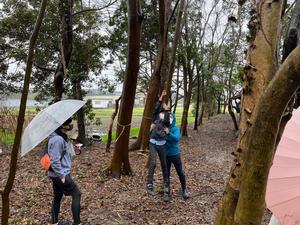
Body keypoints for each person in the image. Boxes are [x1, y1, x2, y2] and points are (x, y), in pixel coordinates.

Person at [47, 118, 86, 225]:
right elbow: (54, 160)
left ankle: (55, 222)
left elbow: (64, 153)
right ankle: (77, 223)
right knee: (76, 193)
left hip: (56, 174)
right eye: (68, 124)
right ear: (62, 126)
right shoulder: (57, 139)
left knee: (58, 196)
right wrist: (62, 176)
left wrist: (76, 148)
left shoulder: (61, 137)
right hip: (59, 174)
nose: (70, 125)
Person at [146, 90, 170, 202]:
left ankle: (166, 188)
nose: (164, 105)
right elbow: (156, 106)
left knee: (164, 165)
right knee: (154, 163)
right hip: (153, 142)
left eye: (166, 104)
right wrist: (161, 96)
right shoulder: (155, 116)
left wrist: (167, 111)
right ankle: (149, 184)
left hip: (162, 144)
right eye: (163, 104)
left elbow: (168, 123)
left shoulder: (168, 116)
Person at [164, 112, 189, 201]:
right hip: (165, 156)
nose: (169, 119)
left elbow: (176, 139)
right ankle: (166, 192)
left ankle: (184, 189)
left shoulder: (176, 128)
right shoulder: (163, 128)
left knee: (180, 172)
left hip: (175, 155)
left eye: (171, 117)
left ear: (173, 118)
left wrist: (168, 134)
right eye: (168, 117)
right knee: (166, 174)